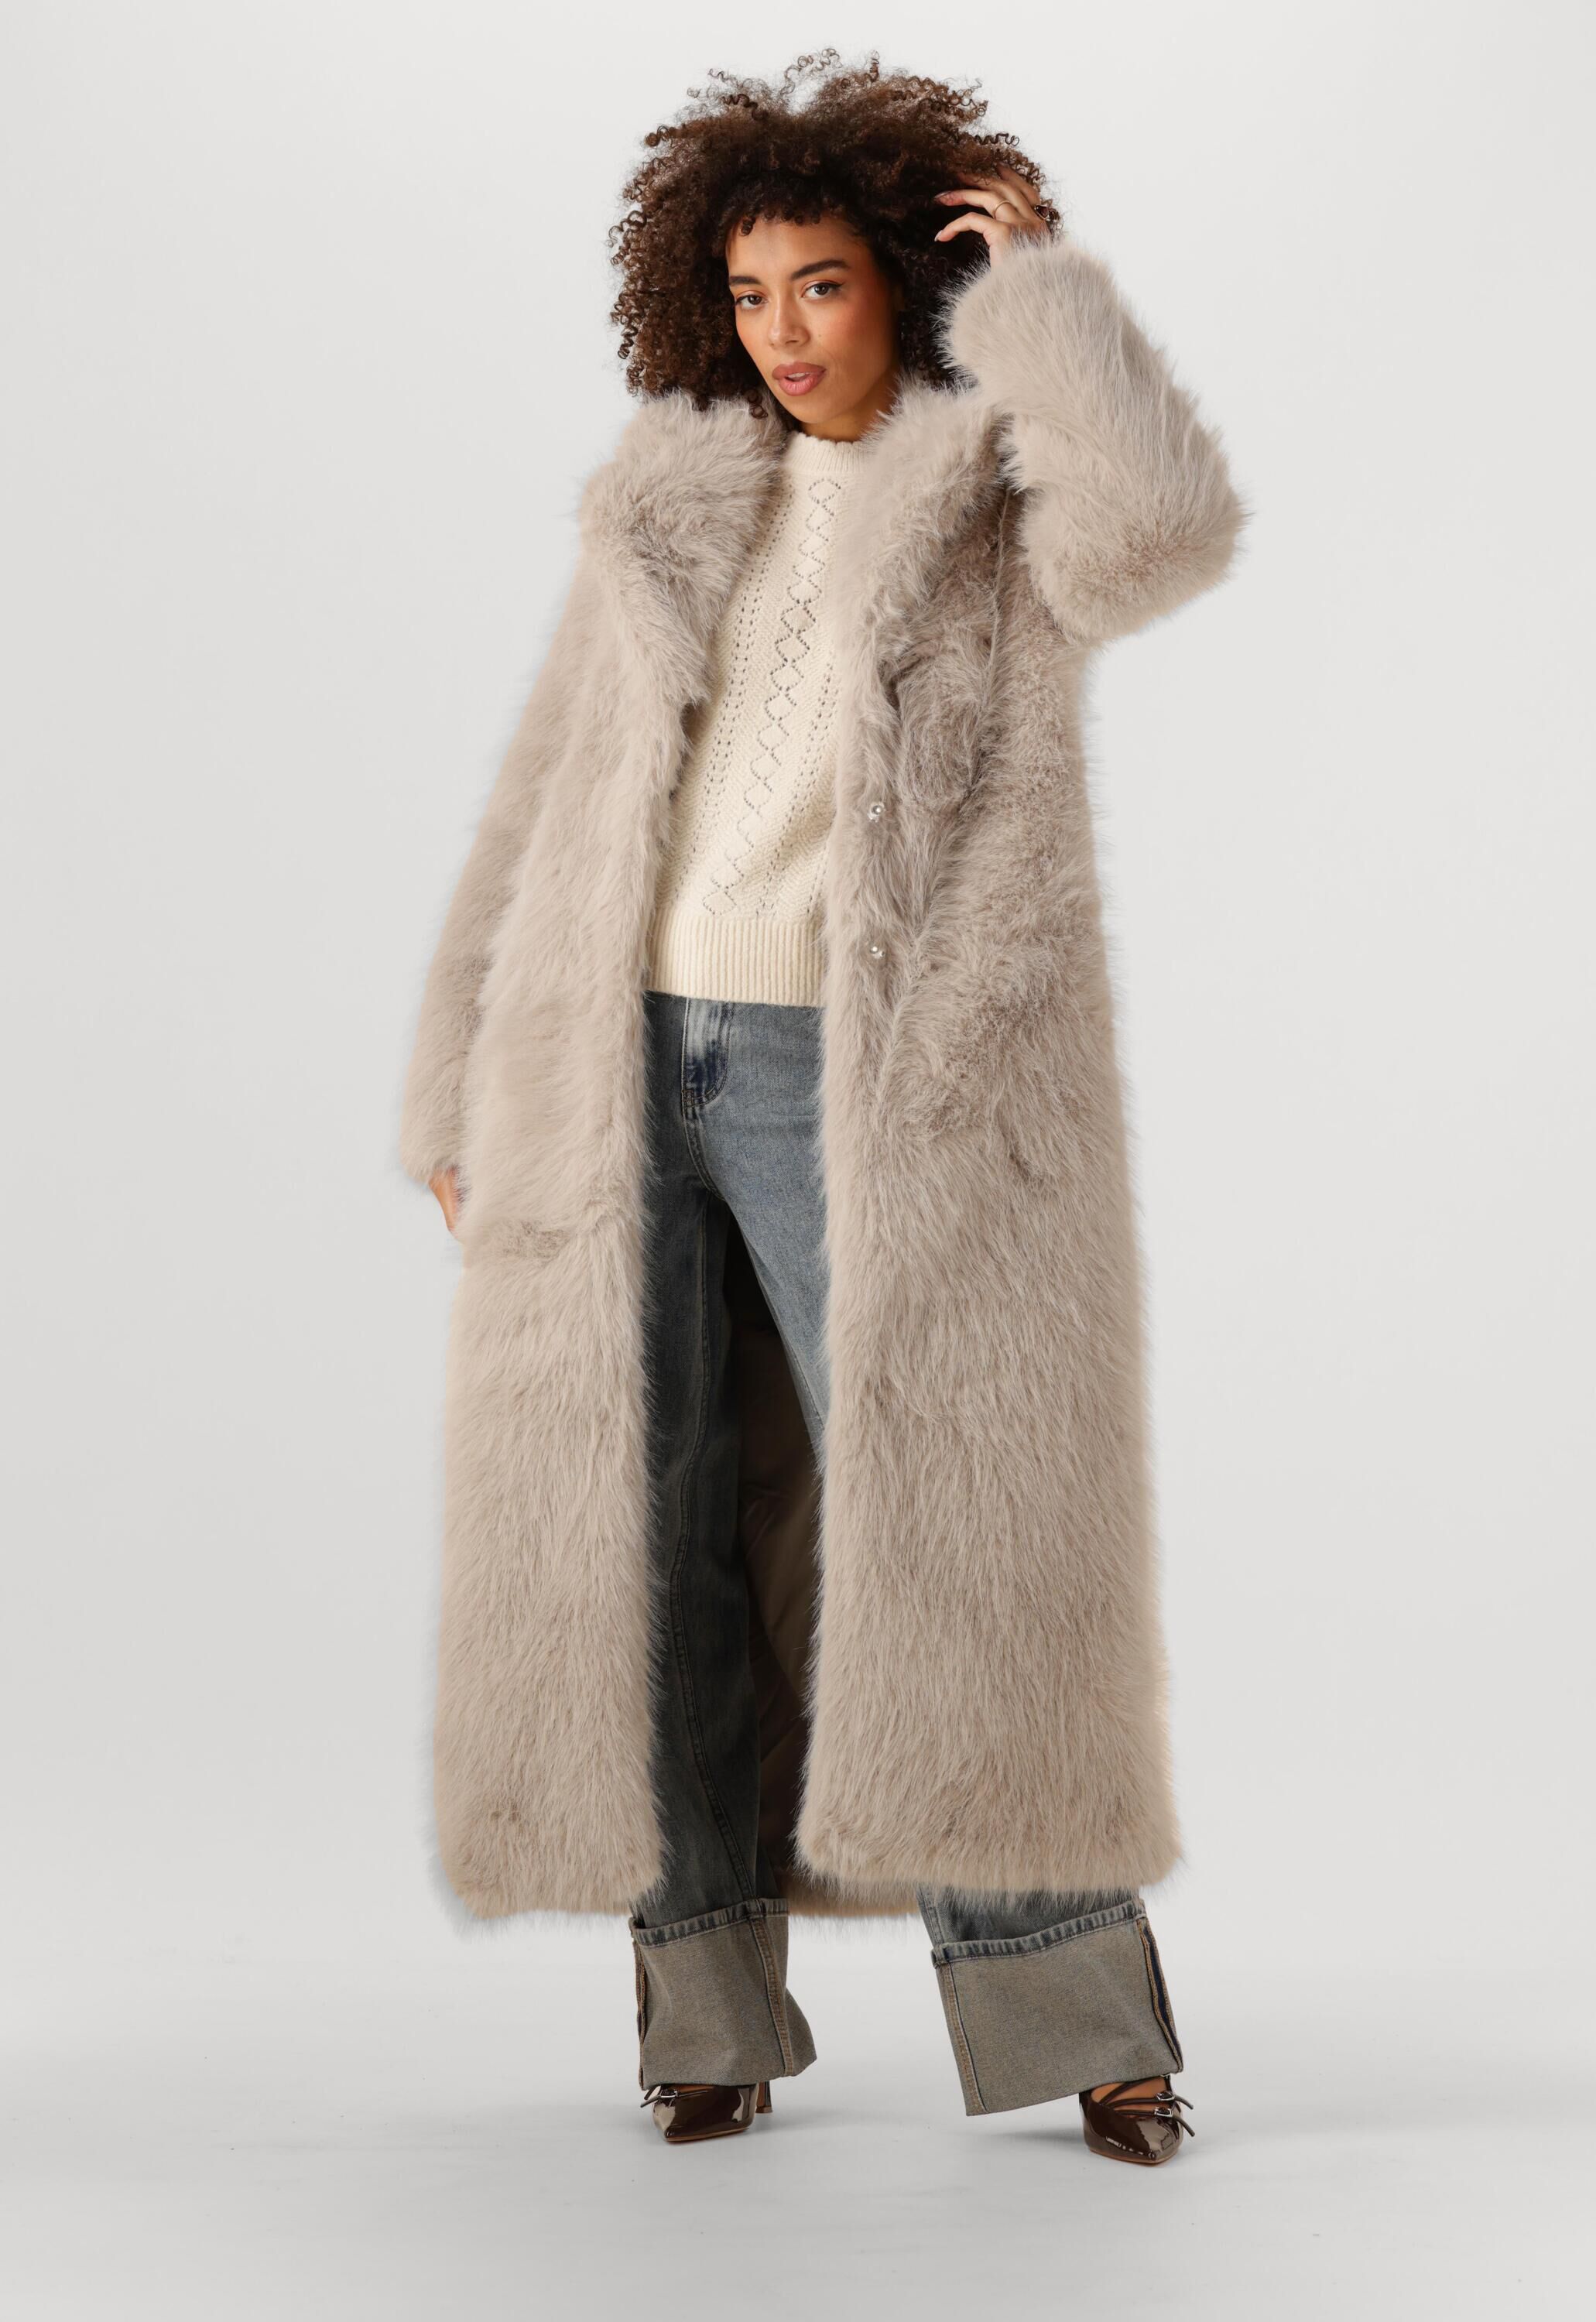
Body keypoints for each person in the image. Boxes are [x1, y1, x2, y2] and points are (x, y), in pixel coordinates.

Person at [400, 50, 1245, 2159]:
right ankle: (701, 2018)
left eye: (825, 284)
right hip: (615, 1069)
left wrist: (1041, 298)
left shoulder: (992, 498)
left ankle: (1080, 2020)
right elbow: (545, 800)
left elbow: (1168, 533)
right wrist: (457, 1076)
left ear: (904, 283)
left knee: (943, 1536)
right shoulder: (671, 502)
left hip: (862, 1087)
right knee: (645, 1534)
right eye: (749, 290)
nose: (783, 330)